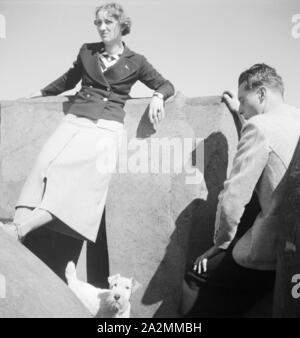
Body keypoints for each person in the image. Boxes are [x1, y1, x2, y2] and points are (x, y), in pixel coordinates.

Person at [0, 2, 174, 245]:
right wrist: (41, 92)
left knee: (68, 179)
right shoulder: (87, 51)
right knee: (43, 164)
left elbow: (166, 85)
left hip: (106, 125)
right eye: (98, 23)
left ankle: (19, 230)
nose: (102, 28)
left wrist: (158, 97)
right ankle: (16, 226)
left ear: (121, 25)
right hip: (76, 117)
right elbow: (68, 80)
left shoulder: (137, 61)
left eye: (108, 22)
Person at [183, 63, 300, 317]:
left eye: (244, 100)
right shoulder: (295, 118)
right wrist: (240, 114)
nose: (243, 107)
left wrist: (220, 244)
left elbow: (233, 199)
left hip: (269, 252)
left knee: (196, 275)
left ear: (261, 94)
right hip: (294, 250)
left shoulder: (259, 127)